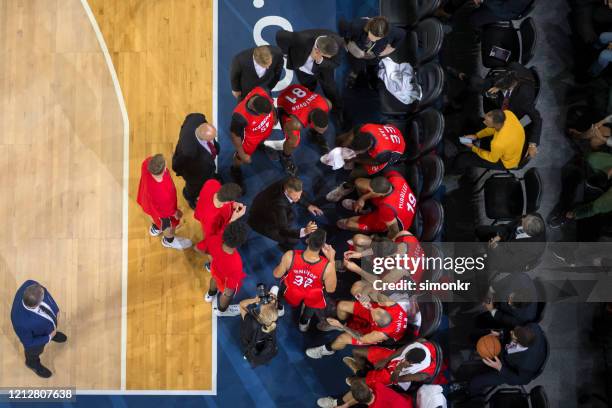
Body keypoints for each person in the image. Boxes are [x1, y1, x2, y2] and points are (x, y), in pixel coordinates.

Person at [453, 323, 547, 396]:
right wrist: (501, 334)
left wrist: (500, 368)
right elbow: (512, 330)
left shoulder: (527, 365)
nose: (511, 332)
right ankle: (458, 342)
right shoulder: (533, 327)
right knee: (481, 336)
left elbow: (520, 380)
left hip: (508, 369)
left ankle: (470, 393)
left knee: (477, 382)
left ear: (519, 343)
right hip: (507, 352)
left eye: (513, 334)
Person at [273, 229, 337, 332]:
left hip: (292, 290)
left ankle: (279, 309)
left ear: (307, 240)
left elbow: (276, 274)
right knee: (312, 304)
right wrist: (332, 260)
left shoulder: (290, 255)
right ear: (322, 247)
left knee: (283, 291)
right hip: (311, 293)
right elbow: (330, 289)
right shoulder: (328, 266)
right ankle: (303, 323)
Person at [275, 29, 345, 121]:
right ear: (319, 51)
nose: (330, 58)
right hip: (303, 68)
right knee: (307, 84)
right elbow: (280, 35)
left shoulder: (338, 43)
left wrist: (321, 61)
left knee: (330, 88)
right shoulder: (301, 39)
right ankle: (309, 95)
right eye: (328, 56)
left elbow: (335, 63)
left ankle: (337, 109)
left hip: (324, 70)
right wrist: (285, 52)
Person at [305, 298, 408, 359]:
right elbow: (378, 294)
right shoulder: (394, 307)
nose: (372, 308)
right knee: (342, 305)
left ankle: (326, 350)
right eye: (376, 308)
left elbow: (362, 338)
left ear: (375, 322)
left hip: (370, 335)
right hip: (380, 317)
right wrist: (367, 298)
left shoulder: (379, 334)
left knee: (342, 339)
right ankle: (340, 323)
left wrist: (342, 327)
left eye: (373, 310)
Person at [327, 123, 406, 202]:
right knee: (344, 140)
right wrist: (341, 148)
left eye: (358, 152)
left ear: (367, 149)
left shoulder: (382, 154)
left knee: (356, 173)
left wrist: (353, 159)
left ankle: (345, 189)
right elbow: (348, 137)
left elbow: (374, 162)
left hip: (392, 152)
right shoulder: (364, 127)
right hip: (386, 132)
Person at [480, 64, 541, 160]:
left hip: (510, 112)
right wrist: (497, 86)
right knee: (478, 84)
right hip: (502, 101)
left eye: (503, 88)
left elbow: (538, 120)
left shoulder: (525, 98)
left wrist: (532, 145)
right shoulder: (512, 68)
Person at [248, 176, 324, 252]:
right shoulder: (279, 206)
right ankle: (284, 247)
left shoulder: (289, 182)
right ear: (287, 191)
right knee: (291, 240)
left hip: (265, 203)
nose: (299, 198)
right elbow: (283, 230)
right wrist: (305, 231)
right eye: (295, 196)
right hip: (262, 220)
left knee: (290, 216)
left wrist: (308, 205)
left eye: (300, 193)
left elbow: (296, 194)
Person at [10, 281, 67, 378]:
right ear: (36, 304)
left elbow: (46, 293)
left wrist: (56, 309)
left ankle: (53, 333)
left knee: (50, 329)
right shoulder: (20, 322)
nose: (44, 290)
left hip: (47, 328)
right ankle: (32, 363)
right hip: (38, 338)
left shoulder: (31, 285)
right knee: (34, 352)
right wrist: (48, 337)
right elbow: (29, 343)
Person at [336, 171, 417, 238]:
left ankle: (368, 231)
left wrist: (380, 241)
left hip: (394, 222)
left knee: (349, 223)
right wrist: (363, 198)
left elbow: (394, 231)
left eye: (372, 191)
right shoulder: (395, 176)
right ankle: (366, 208)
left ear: (379, 194)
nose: (370, 191)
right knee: (359, 182)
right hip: (395, 206)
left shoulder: (387, 208)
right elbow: (379, 189)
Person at [136, 154, 192, 250]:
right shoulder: (165, 191)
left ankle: (156, 228)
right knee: (169, 227)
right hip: (164, 214)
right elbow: (168, 212)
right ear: (164, 167)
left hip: (148, 203)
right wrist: (176, 213)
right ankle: (168, 241)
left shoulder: (145, 164)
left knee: (153, 217)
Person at [338, 16, 406, 89]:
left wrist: (389, 49)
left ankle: (371, 79)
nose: (373, 39)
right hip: (358, 52)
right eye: (372, 35)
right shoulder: (357, 26)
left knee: (373, 68)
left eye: (377, 38)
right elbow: (346, 36)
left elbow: (402, 34)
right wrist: (350, 47)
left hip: (374, 55)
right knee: (357, 66)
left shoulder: (392, 31)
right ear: (368, 27)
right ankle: (355, 73)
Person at [229, 87, 277, 190]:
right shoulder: (239, 116)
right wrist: (242, 154)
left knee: (263, 140)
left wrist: (274, 116)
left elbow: (271, 105)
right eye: (265, 115)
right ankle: (235, 169)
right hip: (251, 139)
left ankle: (261, 146)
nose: (267, 115)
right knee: (240, 157)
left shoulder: (262, 91)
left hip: (265, 130)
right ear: (255, 110)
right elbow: (235, 135)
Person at [344, 338, 437, 391]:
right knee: (356, 351)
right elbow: (402, 349)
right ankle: (361, 371)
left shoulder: (423, 374)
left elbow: (396, 380)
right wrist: (386, 360)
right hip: (394, 357)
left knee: (355, 382)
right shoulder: (421, 343)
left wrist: (397, 370)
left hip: (396, 375)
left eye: (408, 359)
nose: (405, 358)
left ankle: (363, 378)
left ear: (412, 363)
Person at [549, 151, 612, 227]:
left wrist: (575, 214)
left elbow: (596, 207)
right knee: (591, 160)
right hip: (585, 166)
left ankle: (567, 215)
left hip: (596, 191)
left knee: (600, 204)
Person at [171, 113, 219, 209]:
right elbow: (177, 164)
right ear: (204, 139)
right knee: (193, 187)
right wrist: (181, 172)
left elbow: (189, 118)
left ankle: (210, 177)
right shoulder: (189, 152)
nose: (213, 140)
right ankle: (189, 197)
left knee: (209, 175)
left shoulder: (197, 119)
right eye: (211, 139)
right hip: (195, 174)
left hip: (206, 169)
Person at [452, 109, 525, 172]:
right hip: (513, 145)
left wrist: (473, 148)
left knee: (463, 159)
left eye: (487, 122)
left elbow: (492, 158)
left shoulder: (497, 143)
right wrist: (476, 136)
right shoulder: (507, 113)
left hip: (507, 162)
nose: (484, 122)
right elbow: (492, 129)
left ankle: (457, 171)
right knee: (480, 123)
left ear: (496, 124)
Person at [272, 84, 331, 160]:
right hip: (283, 100)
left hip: (296, 88)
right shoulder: (296, 123)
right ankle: (286, 157)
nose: (322, 132)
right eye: (319, 130)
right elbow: (286, 128)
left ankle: (315, 134)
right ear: (312, 124)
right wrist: (292, 136)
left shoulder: (327, 104)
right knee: (293, 142)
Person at [205, 221, 249, 316]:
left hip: (214, 269)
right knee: (227, 295)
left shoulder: (214, 239)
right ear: (240, 243)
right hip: (225, 281)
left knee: (214, 278)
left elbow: (207, 252)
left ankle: (210, 294)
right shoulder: (236, 264)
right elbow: (228, 290)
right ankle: (221, 310)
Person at [193, 180, 244, 257]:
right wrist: (232, 219)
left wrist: (233, 204)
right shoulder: (211, 219)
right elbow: (215, 236)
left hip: (201, 209)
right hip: (210, 226)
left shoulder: (212, 182)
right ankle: (198, 249)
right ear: (227, 202)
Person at [239, 288, 279, 367]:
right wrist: (274, 300)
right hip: (266, 342)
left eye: (263, 305)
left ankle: (248, 355)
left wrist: (254, 300)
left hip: (251, 340)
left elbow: (241, 304)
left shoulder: (251, 321)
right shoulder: (274, 319)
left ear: (260, 315)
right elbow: (273, 309)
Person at [317, 377, 414, 408]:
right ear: (370, 390)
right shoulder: (378, 386)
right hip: (407, 402)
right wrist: (345, 406)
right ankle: (338, 403)